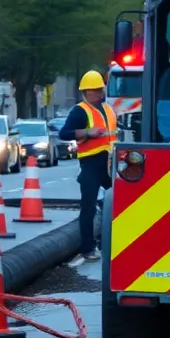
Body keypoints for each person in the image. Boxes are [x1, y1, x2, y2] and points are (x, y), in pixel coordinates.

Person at [59, 70, 116, 262]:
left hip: (109, 162)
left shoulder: (107, 109)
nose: (99, 93)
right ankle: (88, 248)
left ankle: (108, 242)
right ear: (86, 92)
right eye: (94, 90)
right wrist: (87, 132)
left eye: (100, 89)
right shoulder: (80, 110)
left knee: (119, 202)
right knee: (88, 208)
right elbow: (64, 133)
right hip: (91, 163)